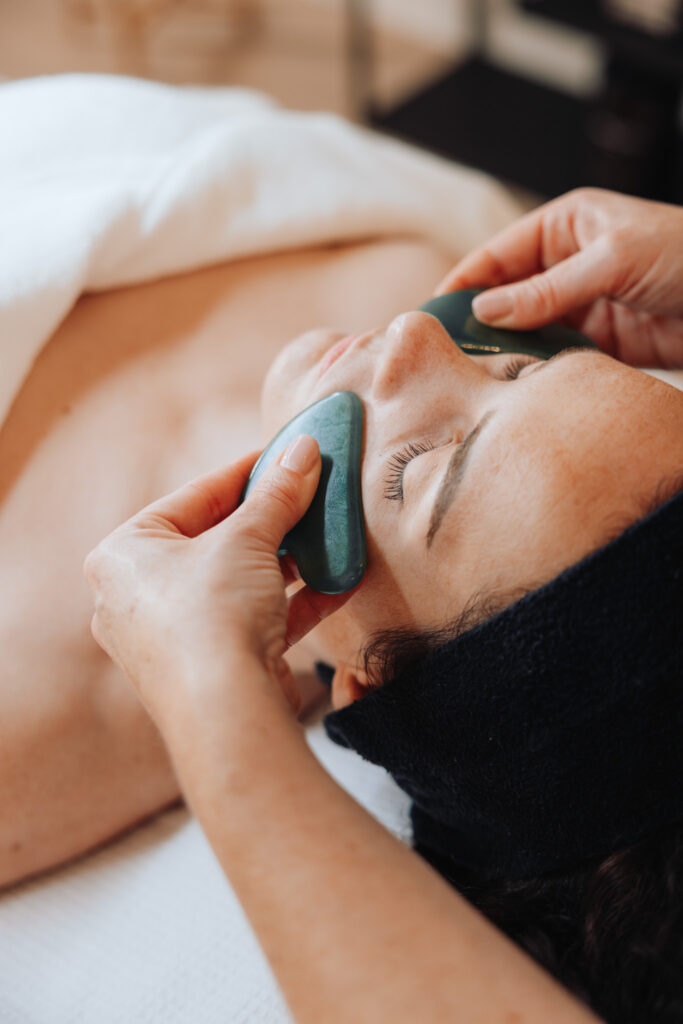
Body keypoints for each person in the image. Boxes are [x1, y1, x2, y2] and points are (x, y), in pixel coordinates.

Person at [84, 187, 683, 1023]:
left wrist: (205, 685)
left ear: (365, 681)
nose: (414, 331)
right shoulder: (423, 250)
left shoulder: (35, 713)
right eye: (525, 367)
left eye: (416, 468)